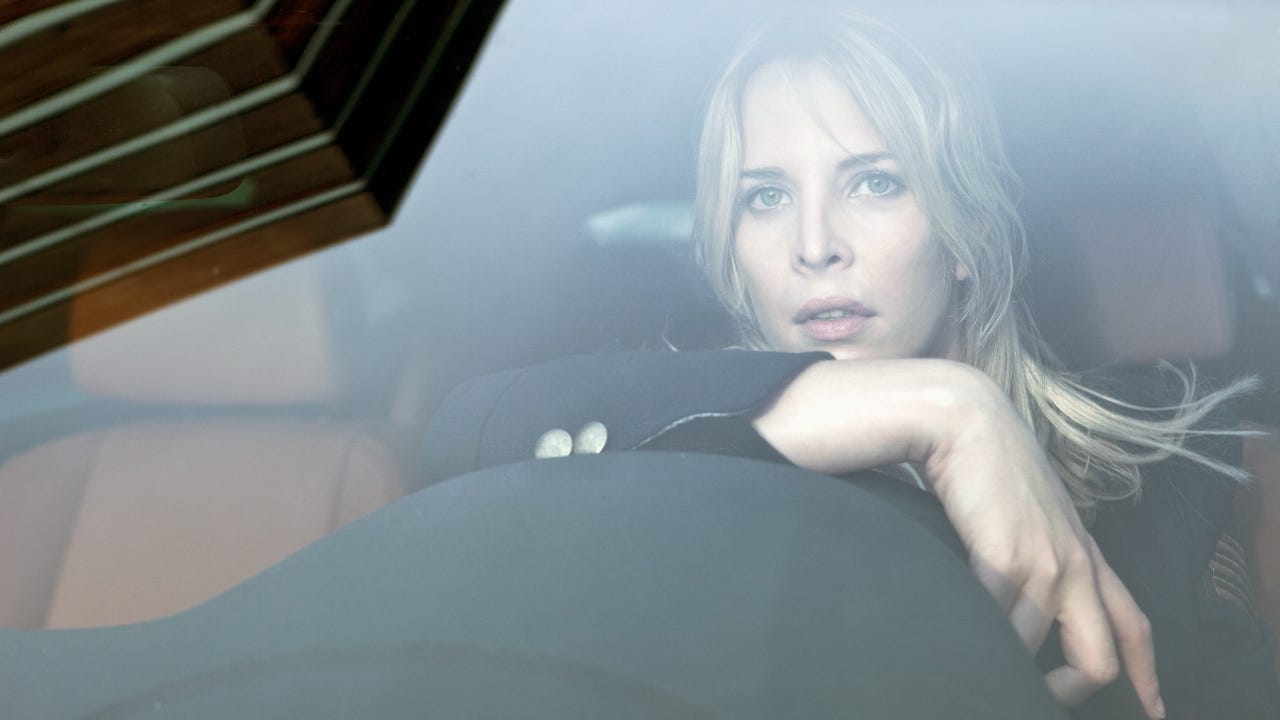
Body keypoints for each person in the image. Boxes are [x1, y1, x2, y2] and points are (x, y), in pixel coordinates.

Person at [424, 10, 1277, 719]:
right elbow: (469, 435)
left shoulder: (1160, 461)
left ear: (964, 231)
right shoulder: (675, 442)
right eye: (766, 196)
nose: (814, 245)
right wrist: (951, 408)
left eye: (875, 183)